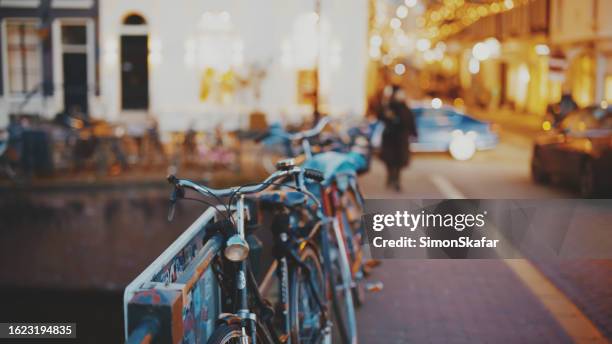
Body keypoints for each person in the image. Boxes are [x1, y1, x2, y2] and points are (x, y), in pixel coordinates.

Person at [378, 85, 417, 192]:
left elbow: (410, 121)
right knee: (390, 161)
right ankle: (390, 177)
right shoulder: (388, 106)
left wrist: (414, 133)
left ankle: (396, 180)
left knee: (399, 162)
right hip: (390, 138)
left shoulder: (405, 107)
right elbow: (380, 116)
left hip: (401, 139)